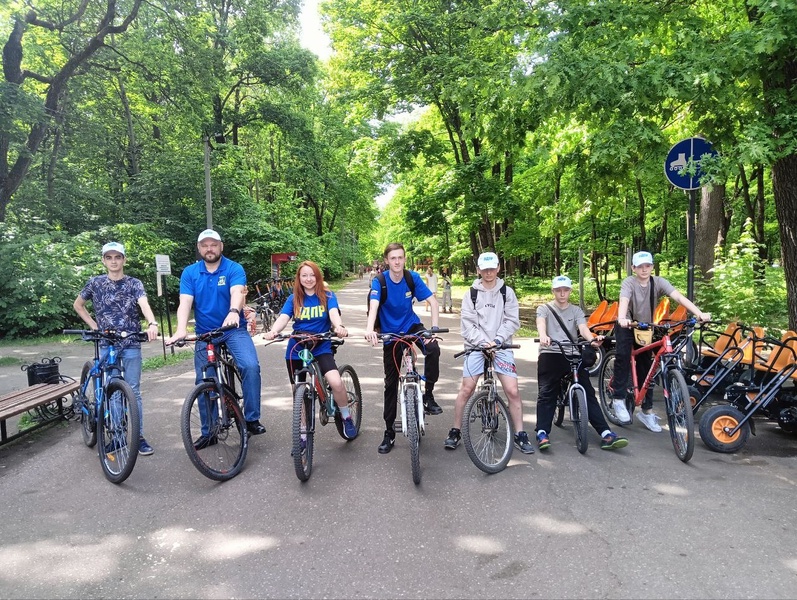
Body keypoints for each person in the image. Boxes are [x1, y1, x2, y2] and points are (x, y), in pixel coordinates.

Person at [166, 229, 265, 442]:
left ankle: (251, 418)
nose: (209, 249)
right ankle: (209, 431)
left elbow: (237, 292)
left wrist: (233, 312)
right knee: (203, 380)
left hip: (233, 329)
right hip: (205, 333)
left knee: (250, 366)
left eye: (213, 244)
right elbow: (185, 302)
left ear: (221, 246)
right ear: (199, 248)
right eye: (205, 245)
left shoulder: (233, 268)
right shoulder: (190, 272)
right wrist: (181, 330)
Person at [73, 242, 160, 456]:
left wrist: (152, 323)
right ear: (104, 260)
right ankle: (119, 435)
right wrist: (94, 326)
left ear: (124, 260)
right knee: (112, 391)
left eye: (118, 257)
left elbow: (144, 304)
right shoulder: (95, 283)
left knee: (134, 391)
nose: (114, 261)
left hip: (130, 342)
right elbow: (78, 305)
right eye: (109, 257)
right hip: (106, 343)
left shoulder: (134, 283)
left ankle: (137, 437)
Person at [444, 252, 535, 454]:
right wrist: (484, 343)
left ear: (498, 268)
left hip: (501, 346)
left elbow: (512, 320)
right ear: (478, 270)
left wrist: (497, 341)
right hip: (476, 346)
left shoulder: (507, 292)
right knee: (467, 388)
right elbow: (467, 325)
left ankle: (520, 434)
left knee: (512, 390)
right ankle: (455, 430)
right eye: (484, 269)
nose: (488, 272)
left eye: (492, 268)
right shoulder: (471, 294)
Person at [612, 251, 711, 432]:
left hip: (645, 326)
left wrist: (698, 313)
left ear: (652, 267)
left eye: (647, 266)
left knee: (647, 367)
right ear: (633, 268)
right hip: (626, 324)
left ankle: (647, 411)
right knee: (623, 356)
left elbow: (679, 297)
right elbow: (624, 300)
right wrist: (621, 318)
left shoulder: (658, 282)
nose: (644, 269)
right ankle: (618, 399)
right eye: (640, 266)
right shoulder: (629, 283)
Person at [263, 260, 357, 439]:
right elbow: (283, 317)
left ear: (318, 276)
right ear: (299, 278)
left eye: (312, 275)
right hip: (297, 346)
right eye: (304, 275)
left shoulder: (327, 295)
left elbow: (334, 314)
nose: (308, 279)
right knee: (297, 390)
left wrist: (339, 327)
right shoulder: (294, 298)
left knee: (336, 382)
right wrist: (274, 331)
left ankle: (346, 416)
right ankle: (303, 433)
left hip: (320, 344)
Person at [365, 243, 443, 454]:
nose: (397, 262)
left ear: (404, 259)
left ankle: (428, 395)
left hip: (411, 326)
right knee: (390, 383)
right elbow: (373, 307)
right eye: (393, 258)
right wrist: (370, 329)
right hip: (390, 335)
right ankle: (389, 431)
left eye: (400, 257)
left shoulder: (412, 278)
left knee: (433, 348)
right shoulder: (379, 282)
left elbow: (433, 303)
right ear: (387, 261)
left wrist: (433, 330)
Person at [535, 275, 628, 451]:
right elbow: (541, 323)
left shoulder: (576, 310)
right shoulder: (544, 308)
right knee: (547, 392)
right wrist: (543, 335)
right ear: (553, 291)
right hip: (551, 352)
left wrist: (591, 339)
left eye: (565, 290)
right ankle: (541, 432)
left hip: (572, 352)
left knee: (587, 392)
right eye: (558, 290)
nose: (562, 293)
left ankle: (606, 434)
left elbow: (583, 328)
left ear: (570, 291)